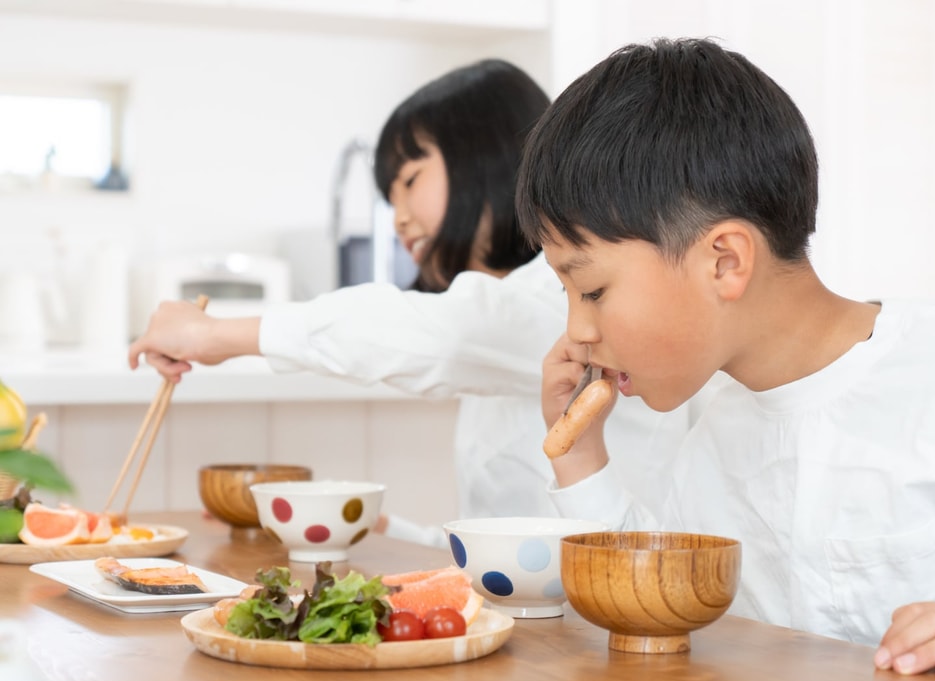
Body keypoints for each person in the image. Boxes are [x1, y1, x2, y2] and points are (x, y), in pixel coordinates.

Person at [515, 37, 935, 681]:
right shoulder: (714, 440)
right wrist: (579, 456)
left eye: (592, 290)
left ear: (726, 261)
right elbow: (653, 601)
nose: (577, 332)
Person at [128, 58, 701, 548]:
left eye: (409, 181)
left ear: (486, 154)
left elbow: (435, 334)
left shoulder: (557, 305)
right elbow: (497, 545)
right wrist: (368, 525)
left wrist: (217, 335)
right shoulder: (505, 324)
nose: (398, 215)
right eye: (389, 195)